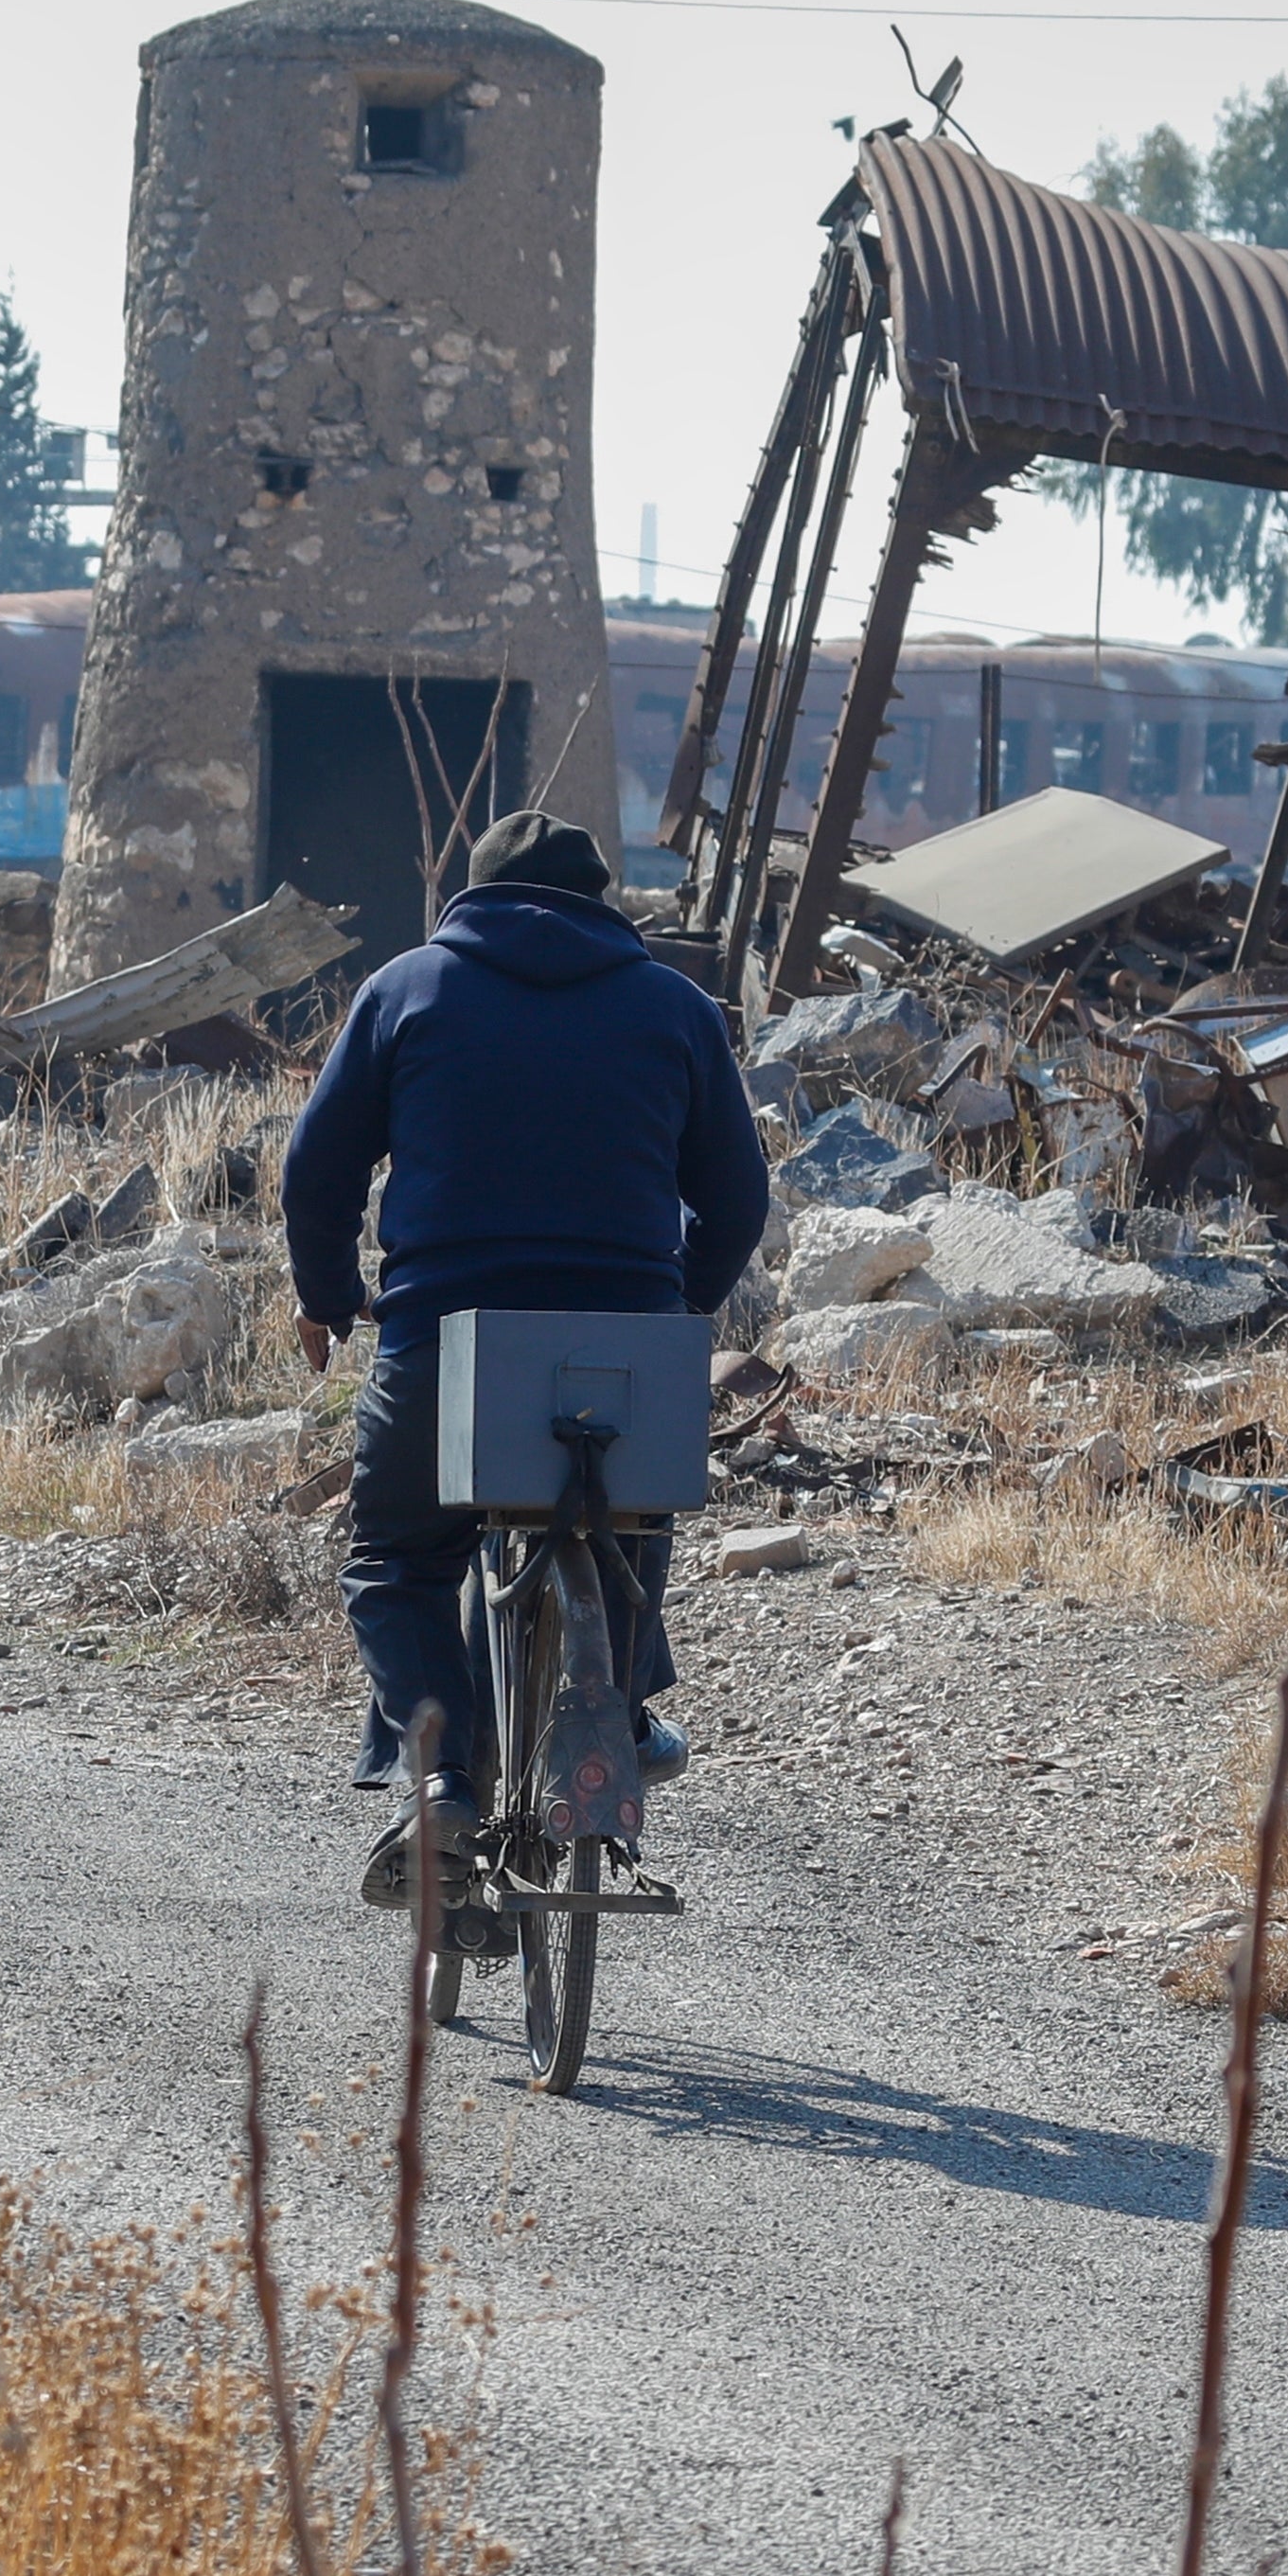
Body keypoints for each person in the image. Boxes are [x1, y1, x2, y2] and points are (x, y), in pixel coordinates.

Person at [278, 808, 769, 1916]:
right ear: (602, 903)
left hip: (445, 1336)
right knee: (627, 1518)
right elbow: (739, 1195)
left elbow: (317, 1168)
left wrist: (325, 1297)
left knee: (398, 1560)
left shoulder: (406, 990)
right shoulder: (677, 1009)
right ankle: (625, 1707)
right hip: (622, 1347)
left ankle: (444, 1780)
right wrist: (676, 1308)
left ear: (473, 895)